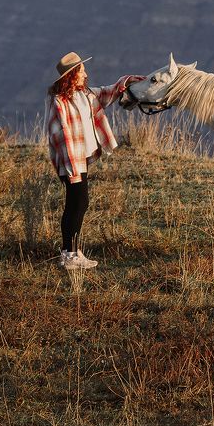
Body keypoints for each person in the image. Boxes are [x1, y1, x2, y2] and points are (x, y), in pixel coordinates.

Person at [46, 52, 144, 269]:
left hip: (79, 159)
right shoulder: (59, 102)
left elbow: (108, 92)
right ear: (71, 75)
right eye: (81, 71)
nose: (86, 74)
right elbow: (59, 135)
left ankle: (69, 252)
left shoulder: (86, 94)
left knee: (75, 204)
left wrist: (127, 81)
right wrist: (72, 168)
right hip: (71, 161)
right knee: (79, 203)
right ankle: (70, 255)